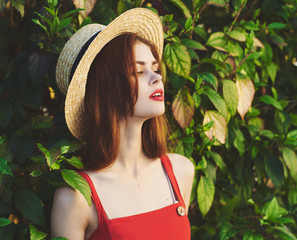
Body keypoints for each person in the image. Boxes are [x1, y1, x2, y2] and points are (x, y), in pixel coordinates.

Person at [51, 8, 194, 240]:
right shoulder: (76, 198)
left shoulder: (180, 172)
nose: (156, 77)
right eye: (138, 71)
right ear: (105, 90)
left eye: (155, 69)